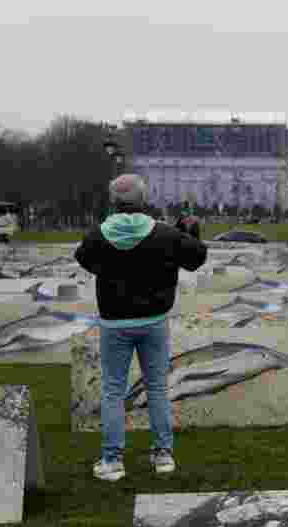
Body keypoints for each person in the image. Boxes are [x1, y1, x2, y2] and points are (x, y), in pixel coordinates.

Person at [76, 174, 207, 482]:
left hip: (114, 322)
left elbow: (83, 258)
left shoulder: (98, 235)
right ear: (143, 199)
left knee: (112, 391)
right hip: (154, 321)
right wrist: (189, 232)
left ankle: (113, 460)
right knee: (158, 388)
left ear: (113, 202)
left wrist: (108, 270)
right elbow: (197, 257)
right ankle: (163, 455)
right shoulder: (163, 234)